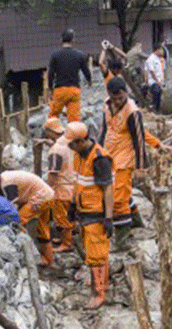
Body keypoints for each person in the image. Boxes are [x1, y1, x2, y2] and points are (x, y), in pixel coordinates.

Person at [65, 122, 114, 309]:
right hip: (84, 209)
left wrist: (108, 218)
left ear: (80, 141)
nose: (69, 147)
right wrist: (72, 204)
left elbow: (107, 189)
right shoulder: (79, 156)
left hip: (96, 212)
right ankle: (103, 282)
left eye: (71, 144)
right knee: (96, 251)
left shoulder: (99, 159)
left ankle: (98, 293)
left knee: (95, 256)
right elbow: (78, 182)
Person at [100, 77, 147, 250]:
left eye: (121, 97)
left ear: (126, 93)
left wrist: (141, 167)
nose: (118, 101)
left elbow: (139, 140)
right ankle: (136, 221)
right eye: (115, 98)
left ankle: (122, 240)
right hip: (109, 153)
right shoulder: (106, 105)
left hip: (125, 157)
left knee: (118, 198)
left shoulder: (132, 112)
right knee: (120, 191)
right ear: (109, 95)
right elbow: (104, 129)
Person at [0, 166, 55, 266]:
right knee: (43, 230)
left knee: (18, 222)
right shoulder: (3, 180)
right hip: (47, 195)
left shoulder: (7, 183)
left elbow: (10, 209)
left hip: (40, 198)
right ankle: (49, 260)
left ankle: (21, 254)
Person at [42, 117, 76, 252]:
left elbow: (53, 173)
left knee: (61, 217)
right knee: (70, 215)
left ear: (50, 131)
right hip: (73, 185)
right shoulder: (69, 143)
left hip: (62, 188)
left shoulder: (56, 150)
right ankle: (66, 238)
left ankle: (67, 244)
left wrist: (47, 189)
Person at [48, 29, 92, 122]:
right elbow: (86, 72)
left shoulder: (55, 55)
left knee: (53, 117)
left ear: (61, 41)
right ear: (73, 40)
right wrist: (89, 81)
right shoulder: (80, 55)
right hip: (74, 90)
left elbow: (50, 74)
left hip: (60, 90)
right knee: (74, 119)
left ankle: (52, 134)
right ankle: (74, 135)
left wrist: (50, 88)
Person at [145, 44, 166, 113]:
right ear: (157, 50)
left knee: (159, 95)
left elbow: (161, 70)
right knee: (156, 93)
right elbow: (152, 71)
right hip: (154, 81)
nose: (162, 51)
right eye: (161, 50)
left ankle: (158, 110)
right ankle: (155, 110)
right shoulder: (151, 59)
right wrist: (157, 81)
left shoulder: (158, 58)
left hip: (159, 81)